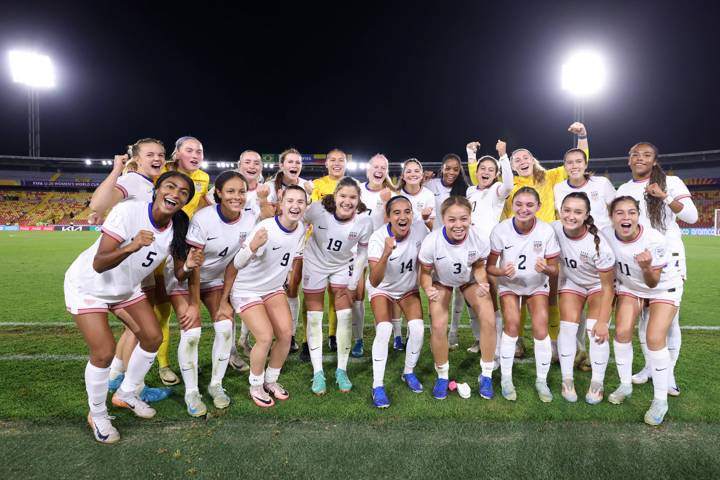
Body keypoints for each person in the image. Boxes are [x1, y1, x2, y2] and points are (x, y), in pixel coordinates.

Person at [64, 171, 194, 443]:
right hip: (89, 285)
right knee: (104, 352)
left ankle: (127, 392)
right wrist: (132, 246)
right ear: (157, 190)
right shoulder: (128, 212)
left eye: (184, 192)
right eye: (170, 186)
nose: (176, 193)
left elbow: (180, 274)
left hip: (124, 288)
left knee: (152, 337)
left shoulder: (179, 225)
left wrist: (190, 265)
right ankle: (97, 414)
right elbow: (99, 263)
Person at [469, 123, 589, 360]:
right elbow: (479, 176)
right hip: (515, 244)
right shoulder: (508, 184)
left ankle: (554, 343)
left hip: (546, 244)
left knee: (550, 295)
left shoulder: (550, 176)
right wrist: (472, 156)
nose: (521, 161)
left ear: (533, 159)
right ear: (511, 166)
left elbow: (580, 162)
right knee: (516, 295)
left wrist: (583, 136)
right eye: (516, 160)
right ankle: (518, 341)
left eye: (525, 157)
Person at [165, 171, 259, 415]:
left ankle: (216, 385)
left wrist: (226, 299)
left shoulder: (250, 219)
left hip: (216, 279)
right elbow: (194, 264)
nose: (237, 197)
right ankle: (191, 392)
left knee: (225, 327)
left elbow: (233, 263)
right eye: (230, 191)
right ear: (218, 193)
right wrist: (194, 305)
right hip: (185, 279)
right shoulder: (204, 218)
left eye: (241, 191)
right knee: (193, 331)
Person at [87, 138, 172, 403]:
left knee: (136, 330)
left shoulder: (153, 184)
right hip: (126, 265)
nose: (157, 158)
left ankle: (116, 376)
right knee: (144, 330)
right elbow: (97, 205)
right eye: (150, 154)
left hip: (139, 266)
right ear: (136, 158)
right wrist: (116, 171)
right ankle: (133, 387)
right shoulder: (134, 180)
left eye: (161, 154)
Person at [616, 143, 698, 396]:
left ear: (654, 161)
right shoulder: (625, 188)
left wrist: (665, 196)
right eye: (635, 155)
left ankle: (668, 375)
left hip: (669, 259)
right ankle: (651, 368)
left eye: (646, 155)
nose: (640, 158)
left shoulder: (671, 182)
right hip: (638, 260)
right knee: (644, 320)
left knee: (668, 324)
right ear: (629, 160)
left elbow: (692, 217)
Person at [216, 185, 308, 407]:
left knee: (286, 335)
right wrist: (252, 247)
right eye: (290, 201)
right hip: (247, 289)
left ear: (305, 206)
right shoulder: (265, 228)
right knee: (265, 337)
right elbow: (237, 263)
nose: (295, 206)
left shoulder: (301, 228)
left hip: (273, 288)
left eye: (300, 202)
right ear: (280, 204)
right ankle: (255, 384)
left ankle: (270, 381)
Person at [603, 196, 683, 426]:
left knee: (655, 338)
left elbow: (652, 282)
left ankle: (660, 401)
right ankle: (625, 384)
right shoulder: (607, 234)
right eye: (619, 213)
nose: (626, 217)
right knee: (621, 332)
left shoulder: (654, 239)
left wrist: (647, 266)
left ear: (638, 215)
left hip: (662, 287)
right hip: (631, 286)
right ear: (612, 217)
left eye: (631, 212)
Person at [486, 187, 560, 402]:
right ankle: (506, 379)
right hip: (510, 284)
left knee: (540, 329)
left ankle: (541, 380)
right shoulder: (501, 230)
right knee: (511, 325)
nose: (523, 209)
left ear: (538, 207)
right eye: (519, 204)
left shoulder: (546, 231)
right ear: (512, 205)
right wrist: (501, 271)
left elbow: (555, 269)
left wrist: (545, 268)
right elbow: (490, 267)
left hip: (537, 285)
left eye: (529, 205)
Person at [418, 196, 497, 400]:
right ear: (443, 219)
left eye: (463, 219)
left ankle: (486, 374)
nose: (459, 225)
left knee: (488, 317)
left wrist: (483, 282)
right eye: (452, 219)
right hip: (441, 281)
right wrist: (428, 288)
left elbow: (478, 265)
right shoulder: (432, 241)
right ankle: (442, 375)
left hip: (468, 279)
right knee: (438, 324)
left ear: (470, 217)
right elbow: (425, 272)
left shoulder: (478, 237)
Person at [302, 177, 373, 394]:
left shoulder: (364, 221)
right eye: (343, 196)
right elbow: (299, 225)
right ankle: (318, 372)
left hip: (343, 265)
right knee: (314, 318)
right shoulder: (317, 210)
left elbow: (362, 252)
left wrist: (353, 281)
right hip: (314, 263)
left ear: (359, 199)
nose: (347, 201)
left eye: (353, 197)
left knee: (345, 316)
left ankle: (341, 370)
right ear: (335, 195)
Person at [153, 136, 211, 386]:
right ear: (176, 154)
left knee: (181, 303)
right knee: (158, 310)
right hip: (157, 240)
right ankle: (162, 364)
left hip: (183, 244)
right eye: (190, 150)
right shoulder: (161, 172)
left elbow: (200, 205)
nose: (196, 154)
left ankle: (182, 363)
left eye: (199, 150)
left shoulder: (204, 178)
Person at [552, 193, 616, 404]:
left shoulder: (599, 245)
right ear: (560, 211)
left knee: (595, 331)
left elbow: (608, 287)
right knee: (568, 329)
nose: (571, 216)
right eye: (567, 210)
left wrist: (604, 321)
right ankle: (567, 380)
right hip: (573, 283)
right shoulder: (553, 229)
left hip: (598, 286)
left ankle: (597, 383)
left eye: (578, 212)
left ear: (587, 215)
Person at [367, 196, 429, 407]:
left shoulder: (420, 229)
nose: (403, 217)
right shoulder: (377, 238)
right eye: (397, 212)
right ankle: (377, 386)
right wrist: (386, 253)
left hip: (407, 288)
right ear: (388, 217)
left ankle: (408, 372)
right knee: (384, 329)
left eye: (407, 211)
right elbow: (374, 280)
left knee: (418, 328)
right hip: (382, 289)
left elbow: (430, 254)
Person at [299, 149, 352, 360]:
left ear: (346, 164)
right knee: (311, 295)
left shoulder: (350, 186)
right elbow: (308, 212)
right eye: (333, 160)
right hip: (316, 247)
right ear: (327, 164)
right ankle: (306, 340)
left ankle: (332, 335)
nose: (337, 163)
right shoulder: (317, 185)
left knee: (337, 293)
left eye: (341, 160)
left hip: (340, 248)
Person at [465, 140, 514, 355]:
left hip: (488, 256)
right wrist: (469, 153)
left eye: (491, 170)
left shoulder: (496, 189)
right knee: (471, 302)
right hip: (467, 253)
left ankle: (498, 345)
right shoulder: (470, 191)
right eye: (482, 168)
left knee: (491, 300)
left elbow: (510, 186)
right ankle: (479, 339)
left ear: (496, 174)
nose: (486, 172)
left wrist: (503, 156)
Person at [266, 148, 314, 354]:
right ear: (282, 165)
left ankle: (291, 335)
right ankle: (268, 334)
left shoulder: (306, 186)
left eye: (298, 162)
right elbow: (267, 217)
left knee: (293, 289)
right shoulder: (269, 186)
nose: (294, 165)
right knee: (272, 290)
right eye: (290, 162)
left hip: (299, 245)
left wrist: (310, 198)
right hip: (275, 245)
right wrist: (276, 202)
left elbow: (310, 216)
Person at [424, 153, 471, 350]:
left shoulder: (464, 189)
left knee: (460, 290)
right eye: (448, 167)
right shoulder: (431, 185)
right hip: (435, 244)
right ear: (442, 167)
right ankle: (436, 330)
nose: (451, 172)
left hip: (458, 244)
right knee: (436, 289)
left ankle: (453, 332)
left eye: (455, 168)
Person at [355, 154, 395, 357]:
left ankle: (395, 335)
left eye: (383, 167)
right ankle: (358, 339)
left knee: (390, 292)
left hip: (381, 248)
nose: (379, 170)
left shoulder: (391, 193)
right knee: (357, 294)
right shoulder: (358, 190)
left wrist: (387, 203)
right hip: (358, 249)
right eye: (375, 167)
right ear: (368, 169)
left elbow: (393, 224)